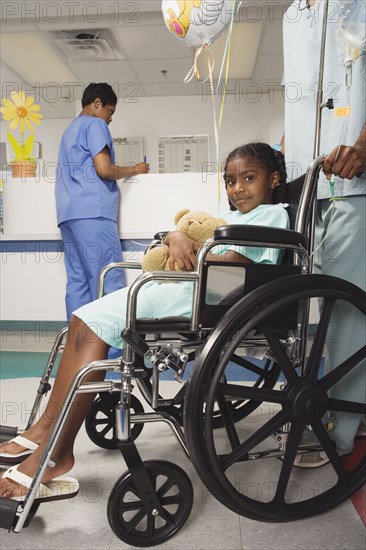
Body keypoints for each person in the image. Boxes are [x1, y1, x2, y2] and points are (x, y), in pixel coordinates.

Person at [0, 142, 290, 500]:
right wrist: (176, 236)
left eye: (248, 178)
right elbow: (202, 238)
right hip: (182, 290)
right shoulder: (229, 215)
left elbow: (229, 260)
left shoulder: (274, 215)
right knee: (80, 321)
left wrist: (190, 244)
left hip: (206, 301)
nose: (237, 188)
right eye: (230, 181)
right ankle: (47, 427)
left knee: (91, 325)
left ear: (273, 179)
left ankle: (56, 452)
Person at [281, 0, 366, 467]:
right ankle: (331, 406)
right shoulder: (292, 17)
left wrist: (361, 145)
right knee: (311, 305)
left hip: (353, 182)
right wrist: (281, 157)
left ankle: (337, 429)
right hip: (306, 183)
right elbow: (296, 97)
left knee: (344, 308)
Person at [55, 82, 150, 322]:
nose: (110, 119)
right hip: (94, 213)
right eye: (110, 111)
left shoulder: (69, 131)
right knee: (109, 277)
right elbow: (104, 170)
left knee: (79, 282)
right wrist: (135, 169)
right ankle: (116, 355)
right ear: (97, 103)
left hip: (68, 216)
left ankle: (79, 349)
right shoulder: (95, 124)